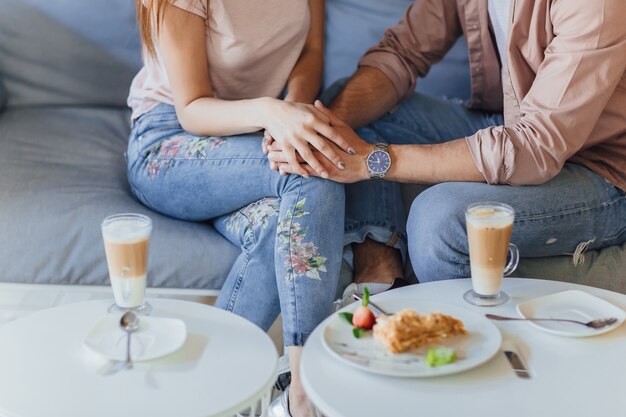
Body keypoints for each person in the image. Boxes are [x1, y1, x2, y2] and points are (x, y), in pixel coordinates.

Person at [268, 0, 626, 283]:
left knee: (438, 223)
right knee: (343, 107)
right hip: (512, 123)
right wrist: (317, 133)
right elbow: (403, 52)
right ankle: (383, 278)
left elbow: (535, 147)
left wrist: (371, 161)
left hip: (600, 170)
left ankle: (604, 274)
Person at [126, 1, 350, 416]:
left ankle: (210, 399)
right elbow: (191, 108)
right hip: (168, 143)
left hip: (252, 140)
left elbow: (311, 51)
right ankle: (306, 397)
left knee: (279, 224)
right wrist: (271, 112)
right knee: (311, 171)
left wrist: (293, 115)